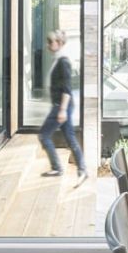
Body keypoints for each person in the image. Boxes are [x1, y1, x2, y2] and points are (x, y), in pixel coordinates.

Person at [39, 29, 88, 187]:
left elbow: (67, 88)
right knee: (70, 137)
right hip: (62, 105)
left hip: (61, 105)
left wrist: (62, 110)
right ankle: (82, 170)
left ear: (59, 43)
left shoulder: (63, 61)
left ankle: (57, 168)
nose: (48, 44)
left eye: (50, 41)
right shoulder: (58, 59)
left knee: (44, 135)